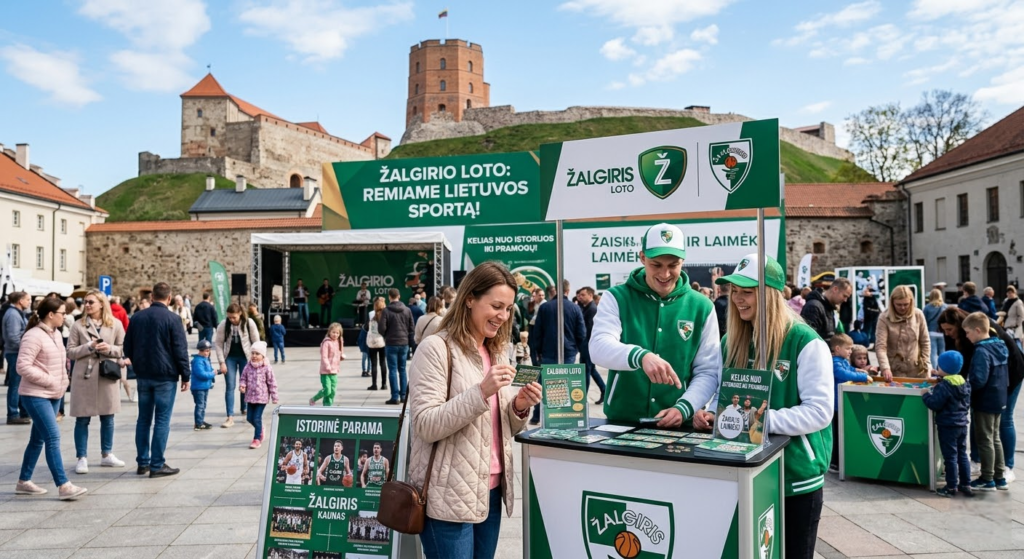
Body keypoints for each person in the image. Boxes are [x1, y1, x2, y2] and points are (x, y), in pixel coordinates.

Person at [407, 261, 542, 559]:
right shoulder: (435, 348)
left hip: (491, 491)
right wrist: (481, 391)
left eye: (507, 308)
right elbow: (426, 424)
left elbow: (501, 424)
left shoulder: (496, 350)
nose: (503, 316)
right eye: (496, 306)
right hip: (447, 496)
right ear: (469, 299)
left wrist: (519, 407)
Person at [716, 253, 832, 559]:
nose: (739, 299)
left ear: (770, 293)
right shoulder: (731, 341)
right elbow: (720, 394)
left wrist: (760, 421)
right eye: (735, 291)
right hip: (743, 471)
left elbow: (820, 411)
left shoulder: (805, 341)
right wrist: (708, 412)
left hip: (795, 475)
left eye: (748, 291)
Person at [590, 223, 721, 427]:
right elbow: (598, 347)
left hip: (678, 422)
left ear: (683, 261)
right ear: (642, 258)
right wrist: (640, 356)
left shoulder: (702, 306)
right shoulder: (617, 297)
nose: (665, 274)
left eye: (673, 265)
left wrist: (684, 406)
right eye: (656, 265)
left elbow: (708, 370)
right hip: (622, 420)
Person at [13, 297, 88, 500]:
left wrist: (62, 382)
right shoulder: (34, 336)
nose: (66, 316)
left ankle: (23, 481)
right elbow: (22, 366)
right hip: (36, 394)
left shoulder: (55, 334)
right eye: (63, 313)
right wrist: (50, 380)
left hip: (54, 393)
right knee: (52, 437)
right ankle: (64, 485)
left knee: (37, 439)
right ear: (51, 314)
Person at [937, 307, 1023, 482]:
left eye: (949, 330)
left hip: (1009, 376)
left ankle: (1006, 467)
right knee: (980, 420)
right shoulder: (970, 334)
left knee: (1003, 420)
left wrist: (964, 387)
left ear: (963, 327)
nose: (947, 334)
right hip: (990, 383)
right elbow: (961, 363)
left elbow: (977, 371)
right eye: (944, 330)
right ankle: (978, 461)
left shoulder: (979, 332)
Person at [123, 282, 190, 478]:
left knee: (143, 419)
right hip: (165, 376)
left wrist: (139, 363)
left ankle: (143, 462)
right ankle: (157, 464)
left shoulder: (137, 317)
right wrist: (186, 375)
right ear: (169, 298)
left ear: (152, 297)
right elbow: (180, 350)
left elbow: (128, 347)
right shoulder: (173, 319)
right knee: (162, 420)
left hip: (144, 375)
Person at [67, 290, 127, 474]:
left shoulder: (115, 324)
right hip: (84, 376)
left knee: (108, 416)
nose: (87, 305)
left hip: (106, 375)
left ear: (101, 304)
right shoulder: (78, 325)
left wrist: (109, 348)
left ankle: (107, 454)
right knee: (82, 418)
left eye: (91, 302)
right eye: (85, 302)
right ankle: (81, 457)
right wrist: (88, 347)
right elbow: (70, 352)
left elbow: (123, 349)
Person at [961, 311, 1009, 491]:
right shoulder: (1000, 345)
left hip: (985, 399)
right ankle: (999, 477)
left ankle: (987, 478)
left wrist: (966, 387)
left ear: (978, 330)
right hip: (999, 397)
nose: (966, 337)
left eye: (968, 332)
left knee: (985, 439)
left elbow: (979, 379)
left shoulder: (981, 350)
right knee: (995, 437)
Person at [528, 281, 587, 424]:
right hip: (568, 352)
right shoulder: (575, 308)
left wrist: (538, 351)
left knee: (542, 384)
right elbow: (581, 333)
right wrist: (576, 349)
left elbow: (537, 332)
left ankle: (537, 415)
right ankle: (561, 416)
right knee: (565, 384)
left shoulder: (545, 308)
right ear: (568, 290)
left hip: (548, 351)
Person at [921, 350, 973, 497]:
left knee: (950, 457)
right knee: (962, 454)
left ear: (943, 368)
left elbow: (935, 404)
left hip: (948, 425)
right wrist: (939, 374)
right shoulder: (964, 383)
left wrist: (925, 395)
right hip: (962, 424)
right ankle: (966, 484)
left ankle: (951, 487)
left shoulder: (943, 387)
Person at [828, 333, 871, 472]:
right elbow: (844, 374)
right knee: (837, 434)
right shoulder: (835, 362)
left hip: (842, 403)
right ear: (838, 348)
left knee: (842, 432)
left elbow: (849, 369)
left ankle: (840, 458)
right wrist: (863, 376)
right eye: (848, 349)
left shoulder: (843, 361)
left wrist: (857, 370)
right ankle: (834, 462)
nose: (850, 352)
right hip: (836, 405)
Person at [213, 304, 260, 428]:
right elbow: (218, 343)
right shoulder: (224, 324)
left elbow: (256, 342)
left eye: (233, 317)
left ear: (240, 313)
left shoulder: (249, 323)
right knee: (230, 386)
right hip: (230, 358)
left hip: (246, 357)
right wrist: (221, 362)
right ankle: (230, 416)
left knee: (246, 384)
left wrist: (258, 359)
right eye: (229, 317)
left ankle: (245, 408)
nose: (231, 320)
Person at [875, 285, 931, 380]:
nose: (903, 308)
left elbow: (925, 342)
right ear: (892, 303)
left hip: (917, 370)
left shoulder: (918, 315)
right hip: (893, 371)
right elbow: (880, 347)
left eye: (906, 304)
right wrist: (885, 368)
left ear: (911, 302)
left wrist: (926, 364)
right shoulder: (884, 318)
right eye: (899, 304)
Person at [239, 341, 278, 449]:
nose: (254, 356)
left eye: (257, 354)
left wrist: (274, 396)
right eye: (253, 353)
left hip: (262, 397)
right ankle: (260, 428)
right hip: (250, 397)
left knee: (256, 418)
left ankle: (257, 439)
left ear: (263, 355)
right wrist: (242, 385)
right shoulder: (248, 366)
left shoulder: (267, 368)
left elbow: (272, 382)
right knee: (249, 418)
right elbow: (243, 378)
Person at [379, 288, 415, 405]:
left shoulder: (386, 311)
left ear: (389, 297)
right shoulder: (407, 310)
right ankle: (404, 395)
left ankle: (395, 397)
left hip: (391, 343)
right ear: (399, 296)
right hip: (404, 343)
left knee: (393, 370)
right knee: (402, 369)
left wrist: (387, 335)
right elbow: (411, 329)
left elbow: (381, 329)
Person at [4, 291, 32, 424]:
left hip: (17, 352)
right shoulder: (13, 315)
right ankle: (13, 414)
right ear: (20, 301)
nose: (29, 302)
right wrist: (27, 347)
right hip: (15, 352)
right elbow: (13, 337)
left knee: (20, 383)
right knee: (15, 385)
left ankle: (22, 412)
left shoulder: (17, 313)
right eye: (27, 299)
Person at [576, 286, 606, 404]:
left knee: (586, 371)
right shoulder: (585, 308)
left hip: (588, 345)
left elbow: (590, 330)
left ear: (590, 295)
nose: (580, 297)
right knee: (591, 369)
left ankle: (583, 397)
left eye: (583, 295)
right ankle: (604, 390)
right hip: (586, 345)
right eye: (580, 295)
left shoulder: (592, 309)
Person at [800, 278, 853, 343]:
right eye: (844, 296)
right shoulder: (813, 307)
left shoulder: (830, 307)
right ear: (835, 289)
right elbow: (809, 339)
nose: (845, 300)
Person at [310, 323, 344, 406]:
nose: (335, 334)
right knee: (327, 390)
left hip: (334, 371)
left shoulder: (338, 342)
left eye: (337, 333)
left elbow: (338, 354)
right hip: (326, 371)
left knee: (332, 391)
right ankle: (314, 399)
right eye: (333, 332)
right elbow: (324, 356)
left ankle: (328, 406)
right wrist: (328, 366)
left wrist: (341, 356)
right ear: (329, 332)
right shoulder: (326, 343)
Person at [190, 339, 215, 430]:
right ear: (200, 351)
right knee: (200, 405)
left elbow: (209, 370)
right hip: (198, 387)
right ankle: (198, 424)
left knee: (203, 405)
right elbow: (201, 374)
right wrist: (213, 374)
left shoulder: (205, 359)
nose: (207, 353)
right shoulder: (198, 361)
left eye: (208, 351)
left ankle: (200, 420)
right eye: (205, 351)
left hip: (204, 386)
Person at [365, 297, 387, 391]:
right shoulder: (386, 315)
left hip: (372, 342)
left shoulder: (371, 316)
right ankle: (384, 384)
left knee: (374, 363)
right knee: (383, 362)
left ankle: (374, 384)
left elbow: (366, 328)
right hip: (382, 341)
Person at [924, 288, 949, 370]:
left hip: (931, 332)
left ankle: (935, 370)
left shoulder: (927, 307)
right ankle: (943, 369)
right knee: (942, 352)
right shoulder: (945, 307)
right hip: (943, 332)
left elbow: (924, 321)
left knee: (933, 353)